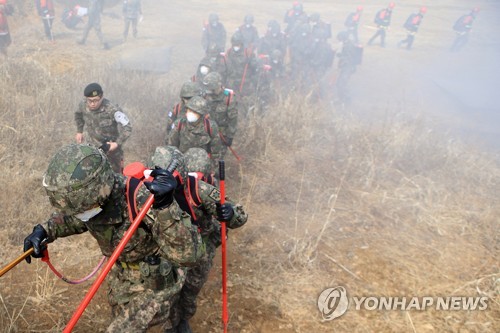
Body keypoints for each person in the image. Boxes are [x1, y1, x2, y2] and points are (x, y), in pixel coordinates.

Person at [23, 143, 206, 332]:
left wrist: (165, 207)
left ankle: (177, 323)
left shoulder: (142, 199)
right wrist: (44, 230)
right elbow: (75, 218)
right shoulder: (90, 202)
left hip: (155, 283)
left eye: (83, 209)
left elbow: (190, 254)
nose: (80, 214)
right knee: (121, 316)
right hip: (120, 277)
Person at [148, 146, 248, 332]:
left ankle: (184, 319)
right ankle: (171, 324)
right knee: (169, 291)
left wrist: (230, 213)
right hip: (170, 247)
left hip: (200, 247)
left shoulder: (198, 189)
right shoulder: (152, 189)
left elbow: (239, 215)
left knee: (190, 289)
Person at [75, 82, 132, 174]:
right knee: (90, 177)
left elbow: (127, 127)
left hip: (111, 152)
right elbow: (78, 115)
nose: (92, 104)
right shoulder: (83, 105)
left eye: (96, 100)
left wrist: (117, 143)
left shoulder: (111, 109)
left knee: (115, 181)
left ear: (102, 97)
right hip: (91, 150)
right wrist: (79, 131)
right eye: (90, 100)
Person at [168, 96, 224, 174]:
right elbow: (171, 147)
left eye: (194, 112)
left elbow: (216, 153)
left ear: (201, 114)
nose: (191, 113)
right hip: (181, 167)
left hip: (202, 169)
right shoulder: (179, 124)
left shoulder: (210, 127)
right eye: (189, 110)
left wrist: (213, 171)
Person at [201, 72, 239, 156]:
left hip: (221, 136)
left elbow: (233, 119)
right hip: (205, 133)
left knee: (217, 159)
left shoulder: (229, 98)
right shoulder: (204, 96)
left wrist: (230, 136)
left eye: (212, 90)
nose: (210, 92)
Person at [225, 31, 260, 96]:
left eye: (237, 45)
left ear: (241, 44)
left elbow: (255, 67)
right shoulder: (229, 52)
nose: (235, 47)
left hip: (244, 83)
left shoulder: (248, 53)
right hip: (231, 82)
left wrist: (251, 62)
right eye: (234, 45)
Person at [335, 31, 361, 106]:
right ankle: (341, 98)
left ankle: (346, 99)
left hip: (347, 68)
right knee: (339, 83)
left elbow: (349, 57)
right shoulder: (347, 44)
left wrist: (341, 57)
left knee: (341, 84)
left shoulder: (349, 46)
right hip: (345, 67)